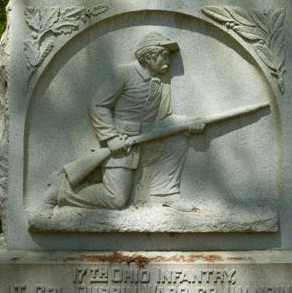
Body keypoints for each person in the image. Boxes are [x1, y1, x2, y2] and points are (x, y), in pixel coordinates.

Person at [47, 32, 204, 211]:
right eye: (164, 55)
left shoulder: (162, 84)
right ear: (149, 56)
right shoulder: (124, 73)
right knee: (116, 200)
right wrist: (110, 137)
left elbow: (164, 118)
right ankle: (61, 192)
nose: (168, 59)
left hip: (146, 139)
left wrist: (189, 122)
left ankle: (167, 194)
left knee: (178, 140)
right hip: (123, 143)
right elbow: (98, 104)